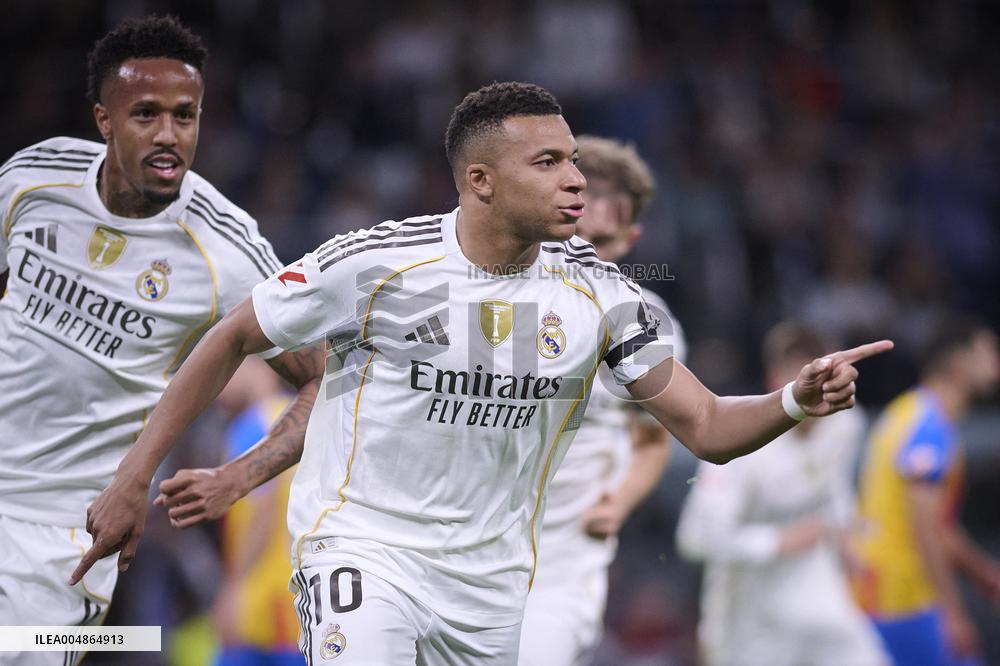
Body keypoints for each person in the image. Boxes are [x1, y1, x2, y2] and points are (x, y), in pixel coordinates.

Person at [75, 81, 890, 664]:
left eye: (573, 159)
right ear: (480, 180)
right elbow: (230, 336)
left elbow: (707, 427)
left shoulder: (603, 299)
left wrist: (792, 399)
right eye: (548, 163)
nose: (575, 179)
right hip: (366, 554)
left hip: (495, 590)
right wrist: (132, 480)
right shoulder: (376, 264)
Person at [0, 15, 322, 655]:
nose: (169, 134)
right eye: (146, 114)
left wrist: (238, 476)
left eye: (186, 115)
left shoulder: (226, 250)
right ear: (104, 120)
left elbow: (330, 378)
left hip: (59, 539)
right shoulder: (31, 181)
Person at [517, 135, 685, 666]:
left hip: (565, 558)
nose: (586, 254)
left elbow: (652, 439)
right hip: (461, 544)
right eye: (577, 234)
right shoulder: (493, 298)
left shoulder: (643, 321)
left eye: (604, 241)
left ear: (631, 238)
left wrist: (621, 499)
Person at [676, 322, 889, 666]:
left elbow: (834, 490)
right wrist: (777, 541)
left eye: (824, 378)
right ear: (775, 381)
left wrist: (847, 534)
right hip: (745, 612)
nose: (816, 391)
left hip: (816, 590)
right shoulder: (738, 446)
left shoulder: (847, 424)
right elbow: (695, 539)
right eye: (804, 380)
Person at [853, 315, 1000, 666]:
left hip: (880, 589)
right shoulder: (930, 428)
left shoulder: (909, 412)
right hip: (903, 597)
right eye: (989, 352)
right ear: (959, 362)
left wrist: (983, 574)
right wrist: (953, 612)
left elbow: (939, 524)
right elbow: (926, 525)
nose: (995, 362)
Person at [208, 357, 302, 666]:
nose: (218, 384)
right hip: (302, 601)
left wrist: (232, 590)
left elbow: (262, 511)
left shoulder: (252, 426)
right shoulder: (300, 417)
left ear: (257, 364)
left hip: (262, 601)